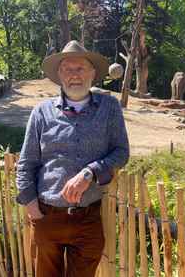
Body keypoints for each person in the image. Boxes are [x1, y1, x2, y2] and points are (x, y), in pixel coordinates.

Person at [16, 40, 129, 277]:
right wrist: (35, 212)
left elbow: (121, 152)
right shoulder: (41, 111)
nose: (74, 75)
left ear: (93, 73)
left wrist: (89, 172)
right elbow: (26, 164)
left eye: (80, 69)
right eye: (68, 69)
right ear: (59, 74)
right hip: (47, 215)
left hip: (88, 218)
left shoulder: (109, 107)